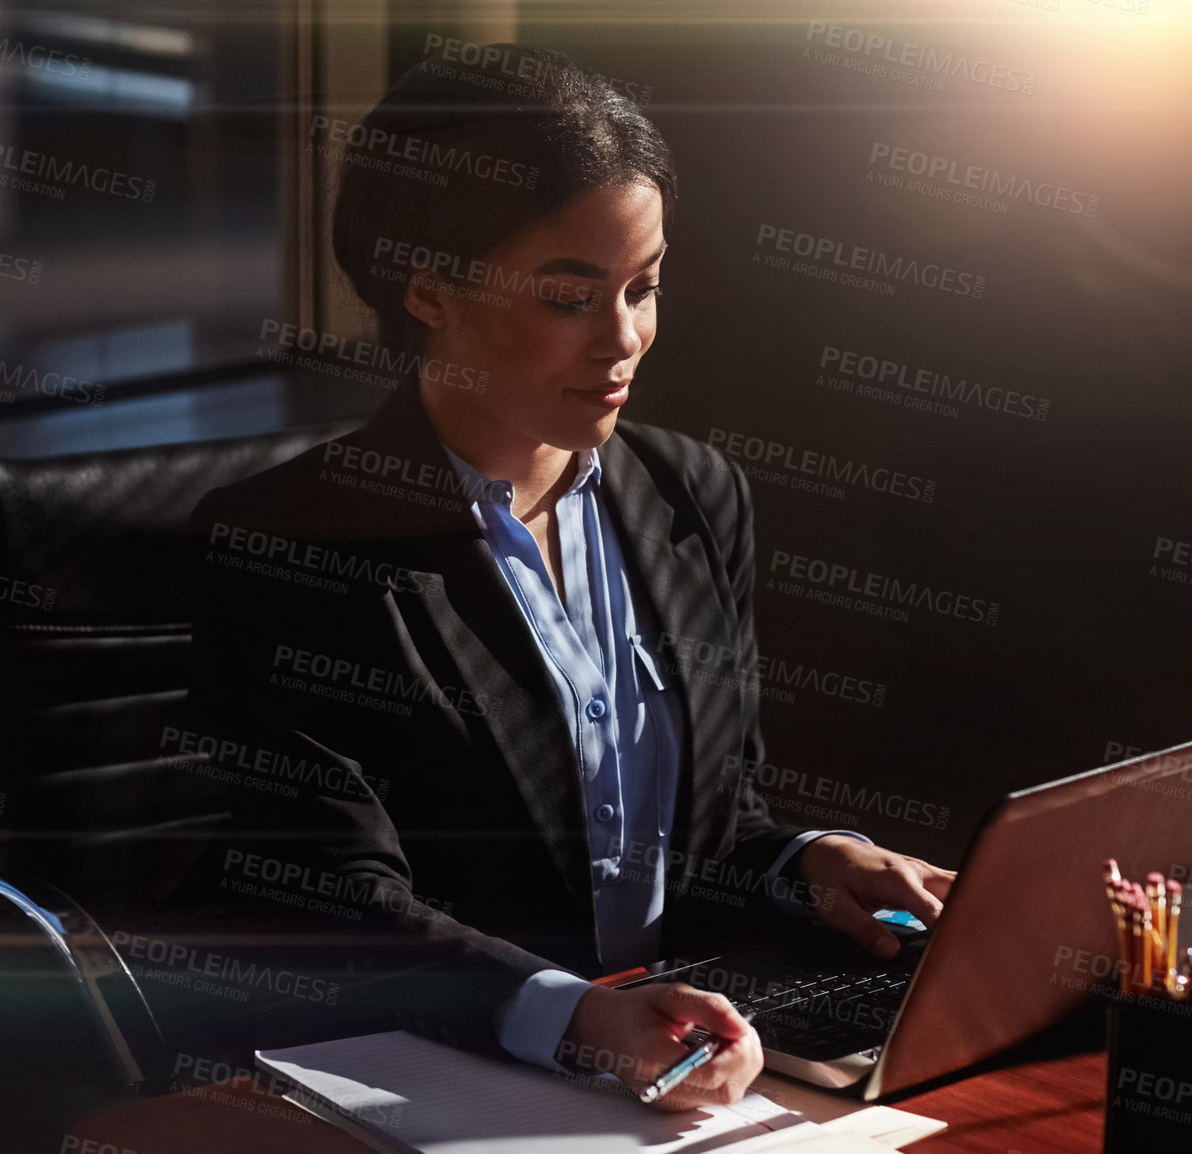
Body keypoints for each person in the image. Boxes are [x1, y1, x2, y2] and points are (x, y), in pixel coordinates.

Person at [165, 44, 955, 1111]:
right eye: (570, 297)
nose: (624, 340)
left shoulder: (694, 493)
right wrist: (572, 1016)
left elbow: (714, 817)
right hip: (438, 1077)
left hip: (683, 1056)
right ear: (430, 290)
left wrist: (811, 859)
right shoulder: (291, 542)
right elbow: (326, 900)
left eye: (645, 286)